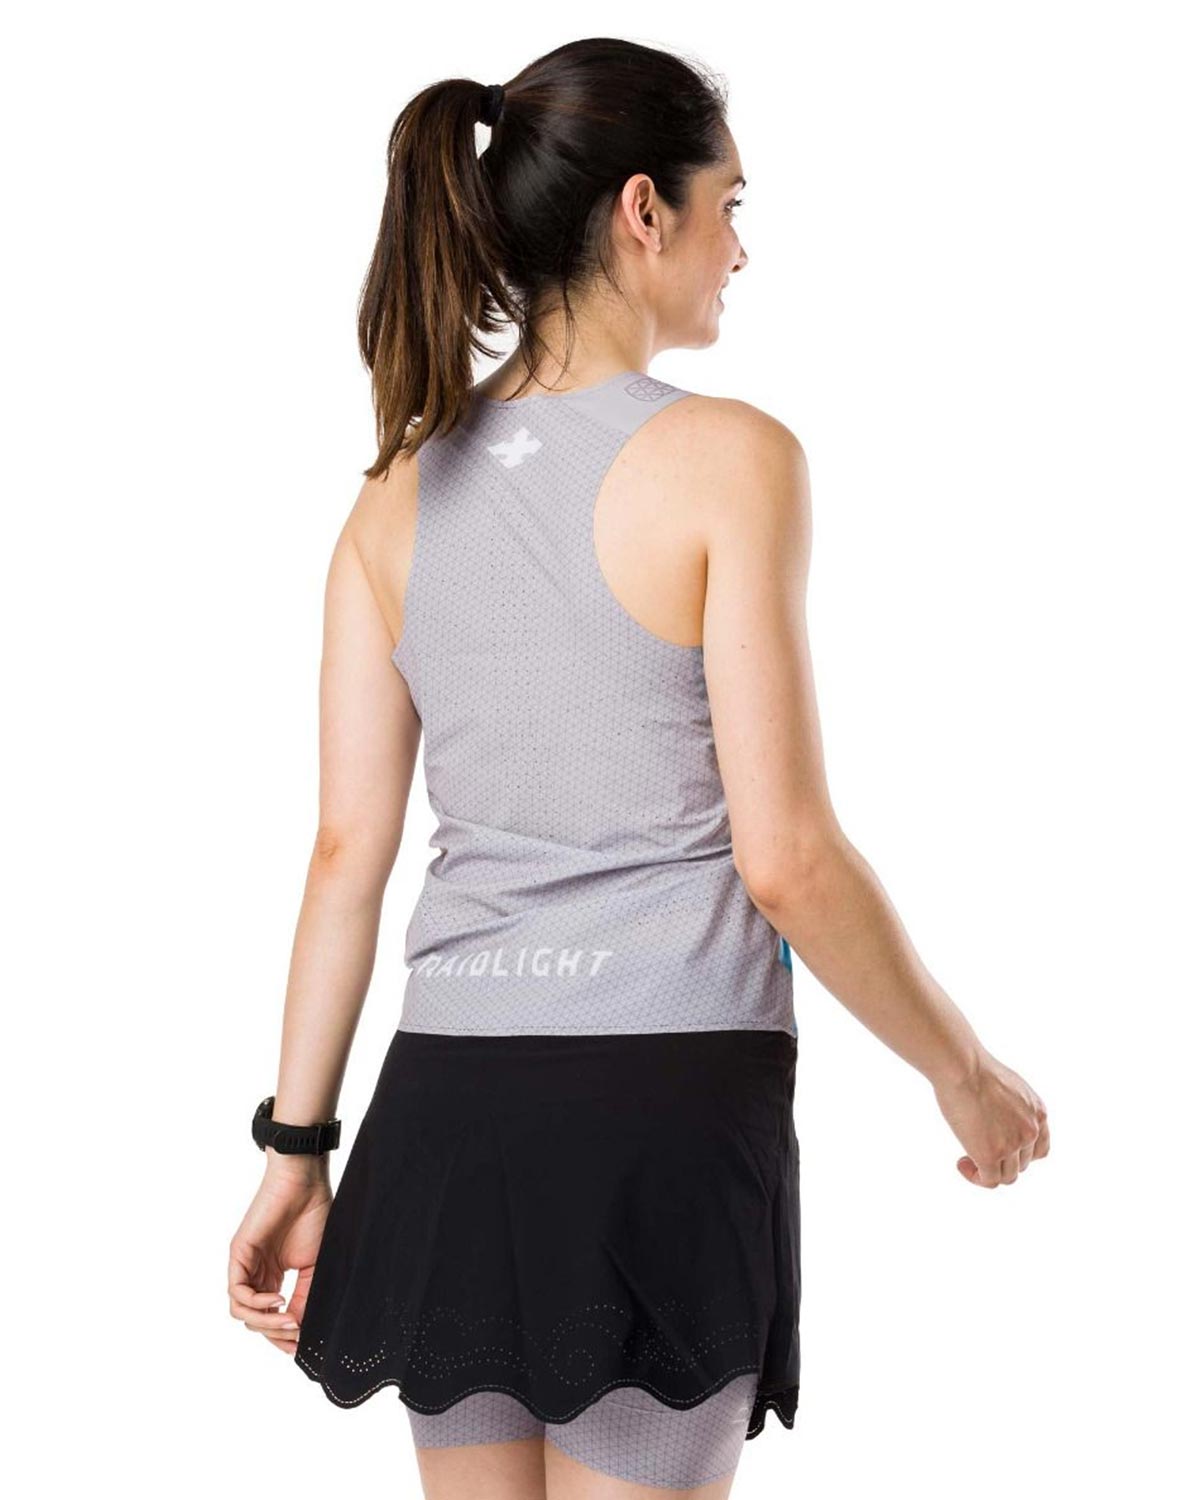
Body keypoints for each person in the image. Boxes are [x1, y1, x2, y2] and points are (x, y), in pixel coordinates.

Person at [227, 36, 1050, 1500]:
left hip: (449, 1106)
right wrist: (965, 1074)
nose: (742, 248)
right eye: (731, 205)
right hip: (655, 1103)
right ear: (642, 212)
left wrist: (296, 1149)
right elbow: (786, 858)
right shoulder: (733, 458)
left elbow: (347, 854)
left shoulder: (392, 496)